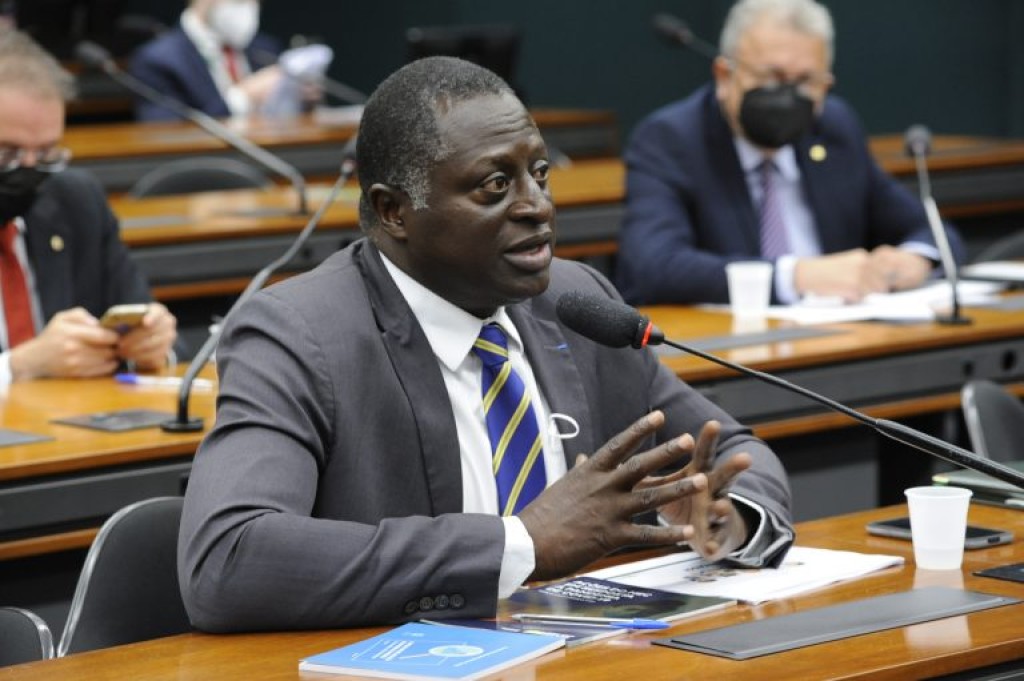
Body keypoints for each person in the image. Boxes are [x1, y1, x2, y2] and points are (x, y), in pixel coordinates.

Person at [178, 55, 793, 632]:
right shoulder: (300, 332)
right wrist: (521, 544)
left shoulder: (577, 302)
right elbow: (228, 556)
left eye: (540, 174)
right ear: (394, 211)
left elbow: (733, 450)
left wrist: (725, 515)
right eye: (495, 185)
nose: (537, 207)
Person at [616, 0, 964, 306]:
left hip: (843, 333)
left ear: (825, 86)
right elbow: (654, 266)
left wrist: (916, 259)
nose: (786, 96)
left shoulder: (834, 129)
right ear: (724, 75)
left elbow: (933, 231)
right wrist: (796, 276)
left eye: (804, 82)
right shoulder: (671, 139)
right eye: (772, 77)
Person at [0, 29, 177, 383]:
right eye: (7, 153)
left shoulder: (75, 201)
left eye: (46, 153)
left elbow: (139, 318)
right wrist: (17, 366)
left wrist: (152, 346)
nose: (28, 169)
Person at [129, 0, 297, 121]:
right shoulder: (158, 60)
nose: (248, 7)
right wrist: (242, 98)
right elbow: (165, 134)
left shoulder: (265, 48)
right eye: (239, 1)